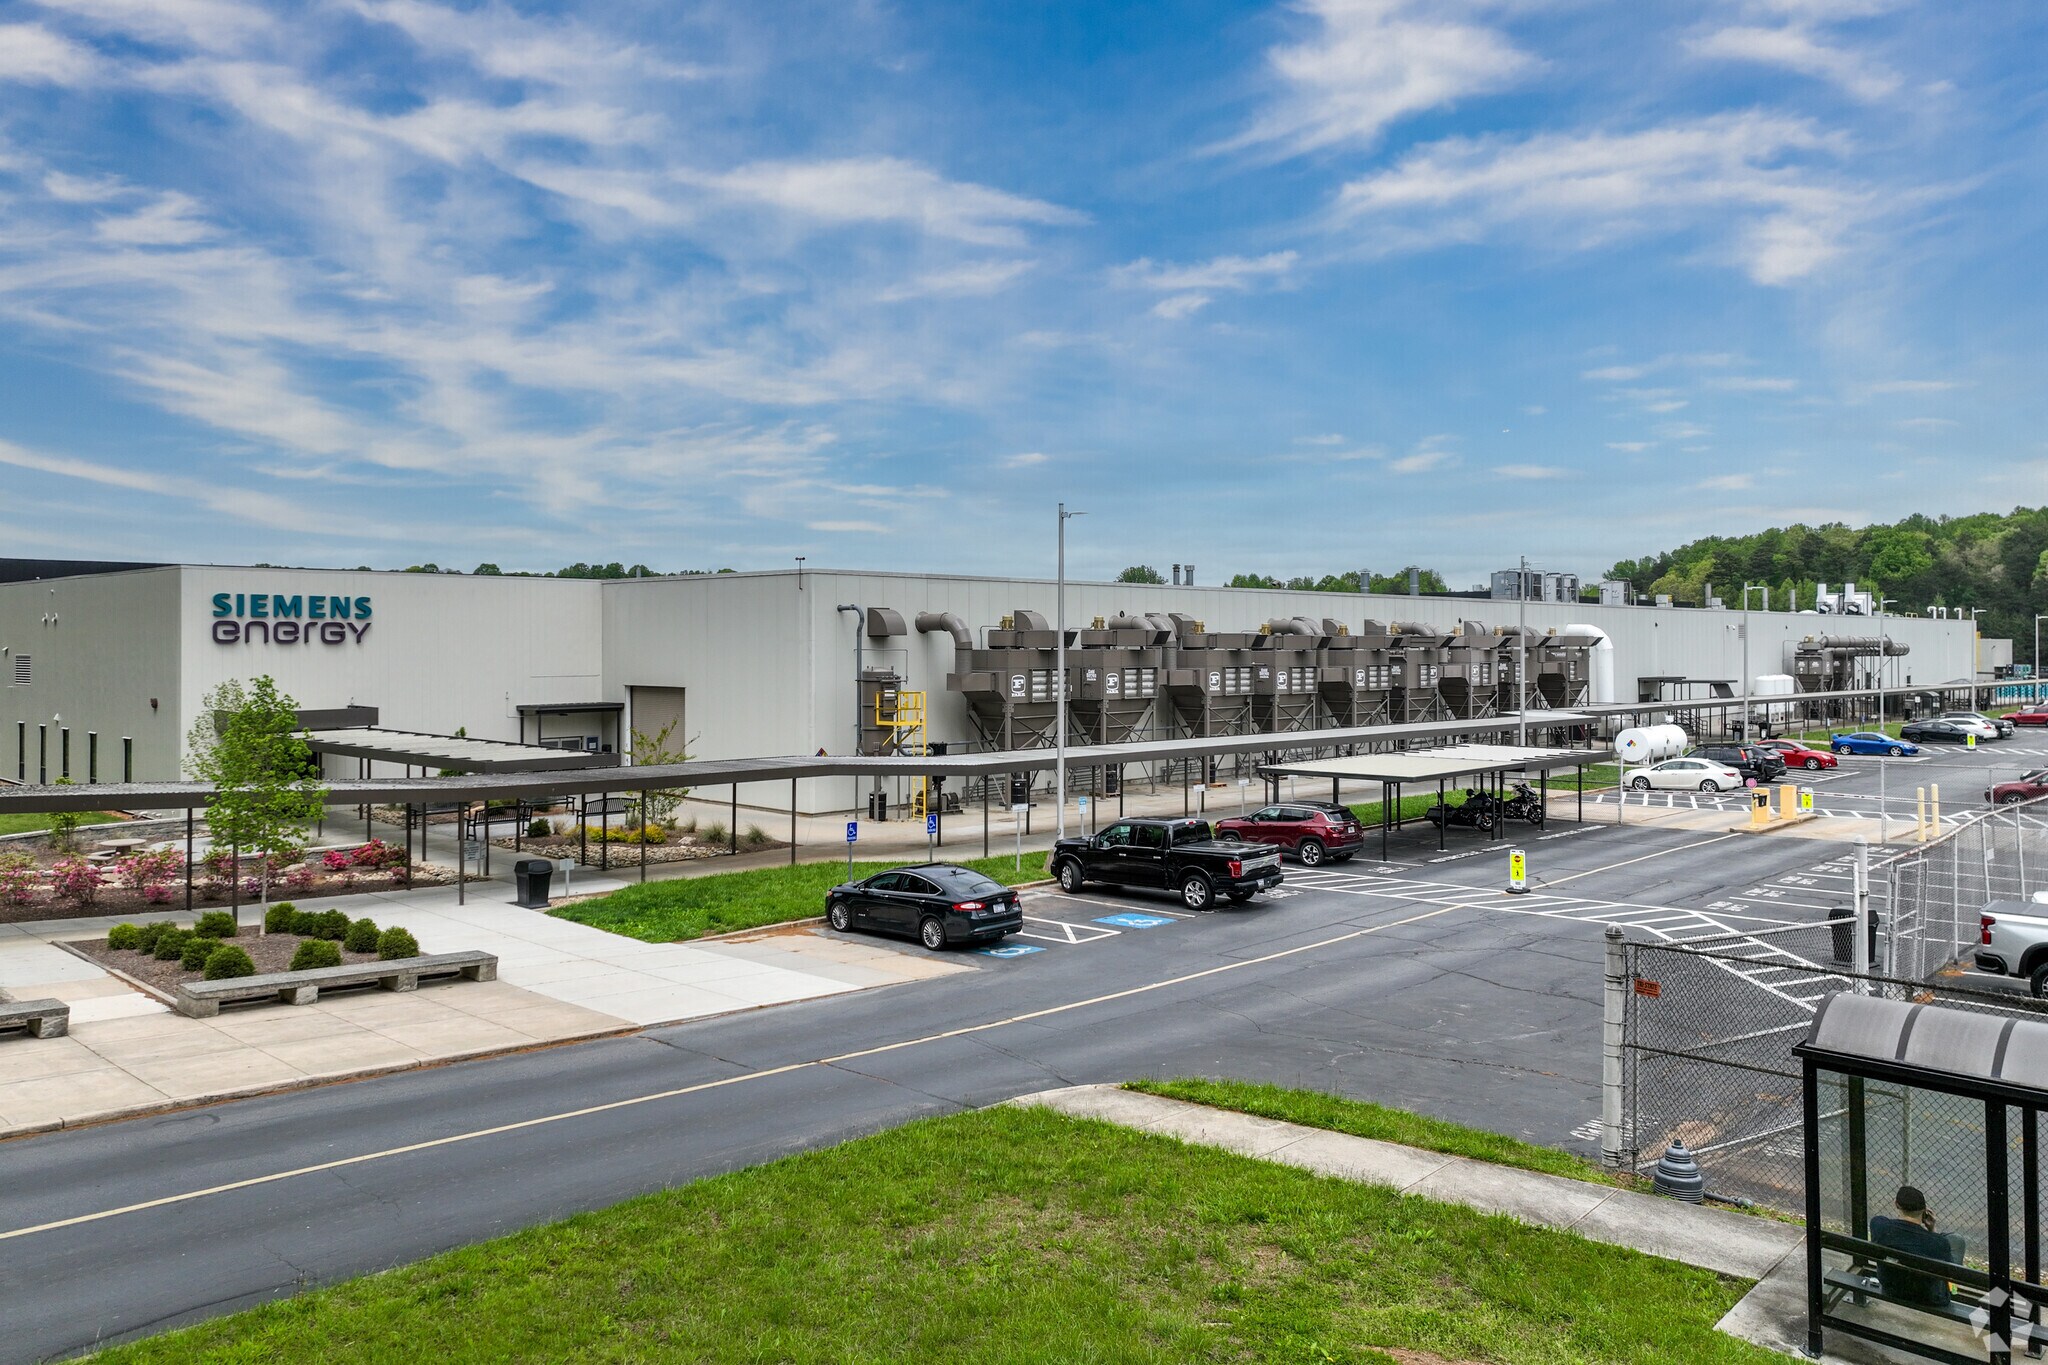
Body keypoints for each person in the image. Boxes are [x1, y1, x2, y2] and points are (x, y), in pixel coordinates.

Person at [1869, 1186, 1954, 1307]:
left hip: (1892, 1289)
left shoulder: (1879, 1226)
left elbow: (1884, 1222)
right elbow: (1950, 1272)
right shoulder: (1939, 1242)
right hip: (1930, 1298)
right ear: (1925, 1210)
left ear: (1897, 1205)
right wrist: (1933, 1230)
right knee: (1957, 1241)